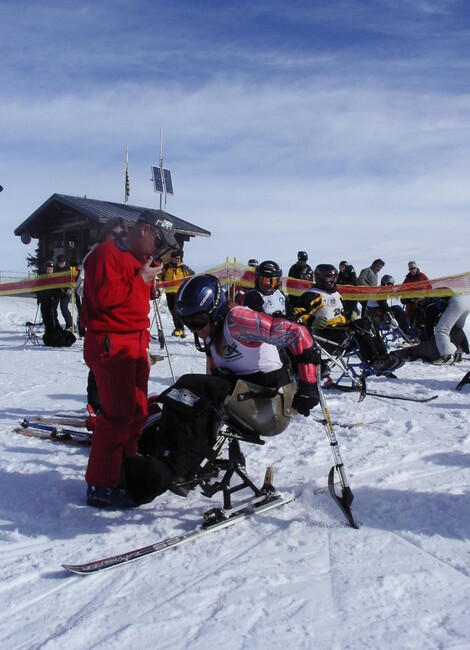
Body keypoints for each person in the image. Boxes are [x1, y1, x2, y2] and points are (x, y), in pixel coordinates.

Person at [121, 274, 320, 507]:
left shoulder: (237, 320)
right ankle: (162, 454)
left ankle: (178, 468)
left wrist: (308, 385)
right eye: (187, 324)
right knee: (185, 394)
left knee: (190, 384)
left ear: (214, 311)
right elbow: (212, 386)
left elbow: (297, 333)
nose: (195, 331)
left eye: (197, 323)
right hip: (246, 398)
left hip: (272, 407)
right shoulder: (212, 335)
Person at [81, 209, 178, 507]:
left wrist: (147, 282)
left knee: (136, 411)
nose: (160, 251)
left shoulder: (138, 259)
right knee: (117, 414)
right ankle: (101, 483)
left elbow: (133, 299)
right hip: (111, 342)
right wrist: (141, 278)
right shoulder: (105, 254)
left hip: (133, 342)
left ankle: (125, 468)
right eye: (160, 243)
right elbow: (105, 298)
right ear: (146, 230)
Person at [294, 264, 403, 375]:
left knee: (369, 322)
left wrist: (349, 315)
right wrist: (311, 321)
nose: (333, 281)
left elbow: (337, 311)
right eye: (330, 279)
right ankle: (375, 360)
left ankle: (382, 357)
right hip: (327, 336)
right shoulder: (313, 295)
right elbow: (296, 314)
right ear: (320, 278)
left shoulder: (336, 294)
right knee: (361, 325)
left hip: (341, 330)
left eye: (335, 278)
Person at [76, 218, 127, 412]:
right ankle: (96, 406)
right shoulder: (94, 254)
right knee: (100, 363)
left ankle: (113, 403)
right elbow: (81, 287)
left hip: (118, 321)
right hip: (99, 320)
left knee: (119, 363)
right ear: (106, 233)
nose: (116, 238)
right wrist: (101, 292)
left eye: (121, 234)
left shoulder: (123, 255)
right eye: (113, 234)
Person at [396, 294, 470, 365]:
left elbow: (429, 324)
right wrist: (466, 349)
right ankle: (458, 352)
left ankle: (447, 356)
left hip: (455, 303)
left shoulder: (428, 304)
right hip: (465, 300)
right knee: (455, 329)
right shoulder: (430, 296)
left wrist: (428, 339)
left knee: (441, 330)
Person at [37, 261, 76, 348]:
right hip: (44, 301)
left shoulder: (56, 278)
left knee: (52, 317)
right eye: (48, 269)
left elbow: (59, 289)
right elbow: (37, 288)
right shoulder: (42, 278)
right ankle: (49, 333)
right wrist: (39, 296)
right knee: (45, 317)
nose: (49, 271)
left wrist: (56, 297)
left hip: (52, 301)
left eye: (51, 269)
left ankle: (56, 333)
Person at [159, 250, 194, 337]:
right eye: (176, 258)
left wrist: (186, 283)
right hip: (169, 292)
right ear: (172, 259)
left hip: (179, 293)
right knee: (172, 310)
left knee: (177, 311)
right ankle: (177, 328)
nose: (178, 260)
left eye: (179, 258)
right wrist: (163, 280)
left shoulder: (183, 268)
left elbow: (192, 275)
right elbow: (160, 275)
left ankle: (180, 329)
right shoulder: (167, 267)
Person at [401, 261, 430, 327]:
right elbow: (402, 289)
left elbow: (429, 288)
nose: (412, 270)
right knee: (410, 322)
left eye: (414, 268)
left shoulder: (422, 277)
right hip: (410, 305)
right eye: (410, 269)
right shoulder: (407, 279)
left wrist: (423, 298)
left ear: (416, 268)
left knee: (420, 323)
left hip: (421, 305)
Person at [55, 255, 73, 331]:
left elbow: (72, 280)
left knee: (64, 307)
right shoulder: (56, 270)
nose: (61, 265)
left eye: (62, 263)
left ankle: (70, 324)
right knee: (53, 308)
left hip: (66, 292)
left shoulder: (69, 270)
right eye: (59, 263)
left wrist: (70, 288)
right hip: (58, 291)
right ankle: (55, 324)